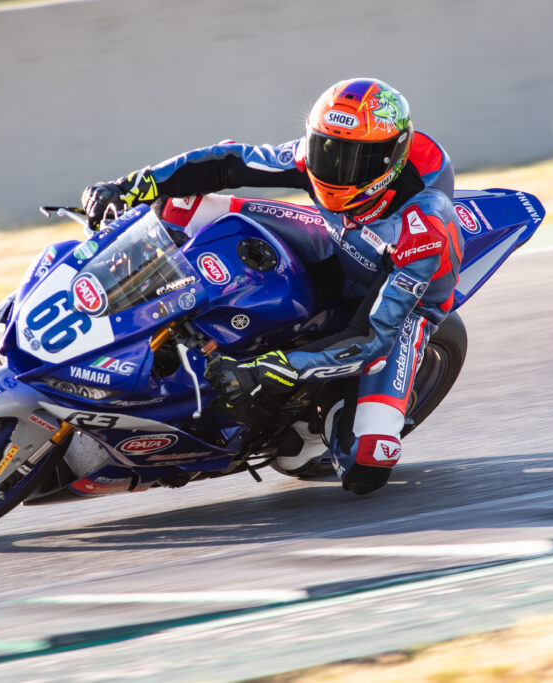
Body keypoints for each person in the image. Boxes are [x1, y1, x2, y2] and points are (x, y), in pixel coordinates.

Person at [81, 78, 462, 494]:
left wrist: (267, 368)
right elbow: (228, 161)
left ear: (392, 158)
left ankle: (318, 424)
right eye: (327, 149)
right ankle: (116, 301)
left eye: (357, 160)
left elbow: (371, 336)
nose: (335, 169)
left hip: (399, 307)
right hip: (338, 242)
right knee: (181, 204)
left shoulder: (423, 227)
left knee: (366, 463)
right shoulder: (313, 160)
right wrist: (129, 186)